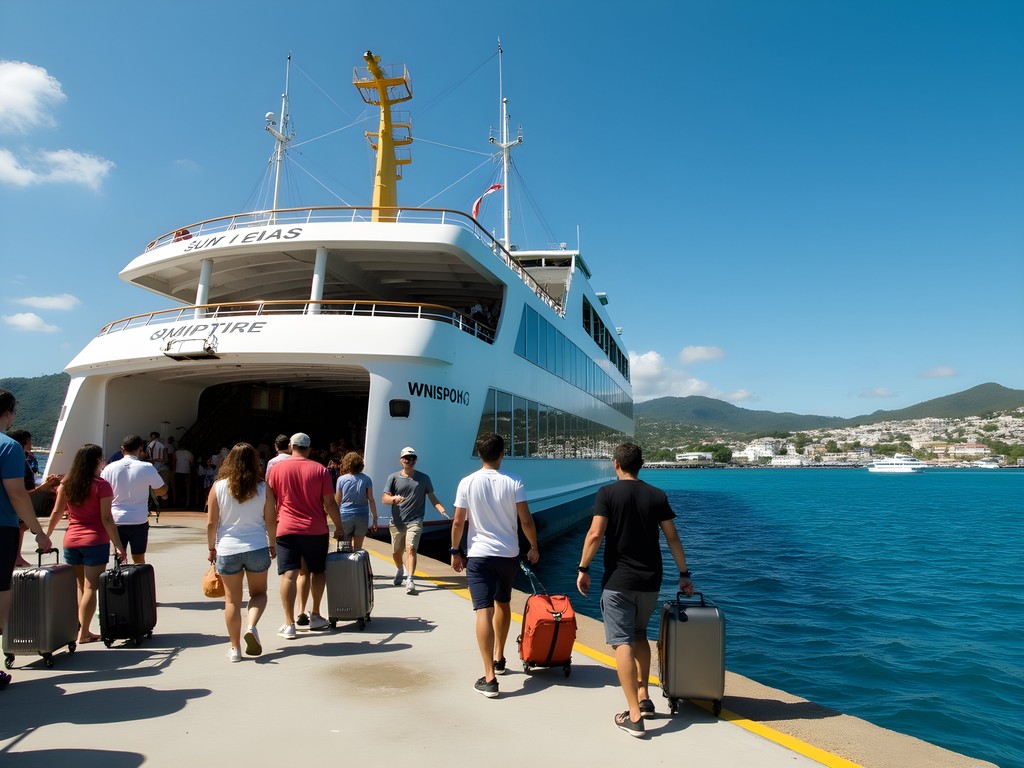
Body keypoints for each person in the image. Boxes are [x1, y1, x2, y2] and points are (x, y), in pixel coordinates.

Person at [576, 442, 694, 737]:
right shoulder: (656, 495)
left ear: (616, 463)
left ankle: (634, 714)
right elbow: (673, 538)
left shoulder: (607, 494)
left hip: (618, 581)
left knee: (622, 642)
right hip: (650, 581)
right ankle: (644, 696)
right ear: (641, 464)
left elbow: (595, 533)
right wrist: (684, 574)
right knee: (640, 635)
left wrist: (583, 568)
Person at [450, 433, 539, 698]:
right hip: (508, 555)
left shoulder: (467, 482)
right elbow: (525, 520)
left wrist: (456, 551)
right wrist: (533, 546)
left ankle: (489, 677)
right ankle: (500, 656)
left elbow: (458, 522)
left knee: (482, 612)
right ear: (502, 453)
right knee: (503, 603)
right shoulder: (514, 481)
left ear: (480, 454)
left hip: (478, 556)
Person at [45, 444, 126, 644]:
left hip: (71, 541)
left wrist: (46, 535)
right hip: (95, 541)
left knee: (79, 586)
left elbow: (56, 512)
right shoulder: (101, 485)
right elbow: (107, 518)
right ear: (97, 460)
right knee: (91, 587)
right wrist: (119, 546)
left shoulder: (66, 484)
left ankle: (79, 627)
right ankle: (84, 633)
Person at [0, 390, 54, 691]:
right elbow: (16, 494)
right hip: (2, 527)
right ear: (8, 412)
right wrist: (38, 531)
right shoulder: (8, 447)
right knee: (1, 590)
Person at [266, 432, 343, 640]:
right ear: (309, 449)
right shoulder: (320, 470)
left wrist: (270, 535)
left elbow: (270, 505)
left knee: (290, 574)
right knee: (317, 571)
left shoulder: (275, 469)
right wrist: (340, 527)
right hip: (315, 529)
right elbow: (329, 502)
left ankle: (289, 623)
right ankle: (316, 615)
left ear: (291, 447)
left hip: (286, 529)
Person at [206, 443, 277, 662]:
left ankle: (235, 649)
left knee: (231, 601)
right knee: (259, 594)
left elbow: (211, 523)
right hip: (256, 547)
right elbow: (271, 520)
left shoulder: (218, 487)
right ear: (255, 462)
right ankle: (252, 626)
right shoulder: (263, 488)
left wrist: (211, 548)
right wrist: (272, 543)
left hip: (228, 549)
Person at [382, 446, 448, 594]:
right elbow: (384, 498)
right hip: (397, 522)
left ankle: (410, 579)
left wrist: (442, 510)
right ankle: (400, 569)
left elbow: (433, 498)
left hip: (415, 520)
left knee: (411, 549)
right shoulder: (393, 477)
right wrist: (394, 499)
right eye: (406, 458)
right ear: (401, 460)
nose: (409, 461)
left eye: (412, 458)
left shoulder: (424, 478)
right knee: (396, 552)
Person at [101, 434, 168, 564]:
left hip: (116, 519)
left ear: (122, 449)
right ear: (140, 448)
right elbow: (161, 490)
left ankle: (119, 582)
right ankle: (138, 582)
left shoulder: (109, 468)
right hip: (139, 519)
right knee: (139, 558)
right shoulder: (147, 467)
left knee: (119, 558)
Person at [8, 429, 61, 567]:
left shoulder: (22, 458)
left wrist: (44, 484)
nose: (32, 443)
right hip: (18, 502)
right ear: (24, 442)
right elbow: (22, 490)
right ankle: (17, 557)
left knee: (22, 525)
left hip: (18, 499)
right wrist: (43, 487)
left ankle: (16, 556)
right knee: (21, 525)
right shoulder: (20, 459)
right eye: (30, 440)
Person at [334, 452, 378, 550]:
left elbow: (337, 501)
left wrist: (336, 521)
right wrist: (375, 518)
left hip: (345, 515)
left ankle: (345, 564)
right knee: (358, 548)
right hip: (362, 515)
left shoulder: (341, 479)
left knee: (343, 548)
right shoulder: (367, 479)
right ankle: (356, 564)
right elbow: (371, 499)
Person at [173, 442, 195, 509]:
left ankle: (178, 502)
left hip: (178, 471)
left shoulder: (176, 453)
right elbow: (192, 464)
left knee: (178, 488)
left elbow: (173, 462)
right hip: (187, 472)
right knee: (187, 488)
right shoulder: (189, 453)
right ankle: (187, 502)